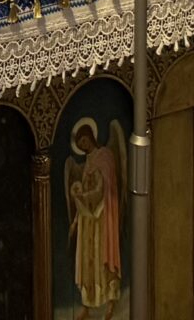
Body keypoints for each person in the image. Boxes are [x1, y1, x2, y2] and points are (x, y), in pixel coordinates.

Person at [66, 120, 125, 319]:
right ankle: (87, 305)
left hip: (102, 216)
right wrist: (76, 220)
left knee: (103, 258)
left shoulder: (105, 155)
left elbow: (104, 188)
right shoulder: (87, 162)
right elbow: (84, 189)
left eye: (83, 140)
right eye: (79, 144)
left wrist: (85, 196)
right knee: (87, 261)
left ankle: (110, 303)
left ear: (90, 136)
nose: (83, 145)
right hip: (87, 219)